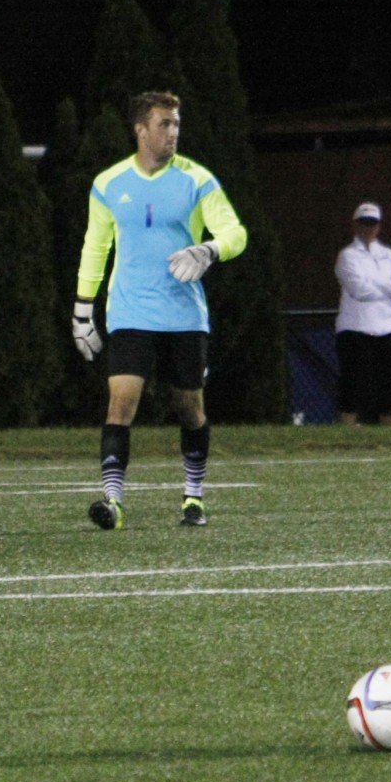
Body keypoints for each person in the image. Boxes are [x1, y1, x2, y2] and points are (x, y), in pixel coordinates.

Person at [72, 90, 247, 529]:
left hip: (184, 316)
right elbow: (97, 245)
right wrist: (82, 308)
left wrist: (210, 249)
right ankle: (112, 504)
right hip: (131, 312)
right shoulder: (109, 184)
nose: (173, 133)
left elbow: (235, 232)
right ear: (141, 129)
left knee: (189, 407)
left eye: (176, 124)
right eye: (164, 124)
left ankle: (193, 497)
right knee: (121, 403)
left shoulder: (196, 179)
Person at [334, 202, 391, 426]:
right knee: (352, 386)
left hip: (390, 328)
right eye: (364, 223)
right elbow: (359, 291)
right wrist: (389, 286)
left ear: (379, 226)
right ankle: (345, 438)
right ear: (355, 225)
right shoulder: (347, 256)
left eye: (372, 223)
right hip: (356, 328)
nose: (368, 228)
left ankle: (389, 442)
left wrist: (374, 284)